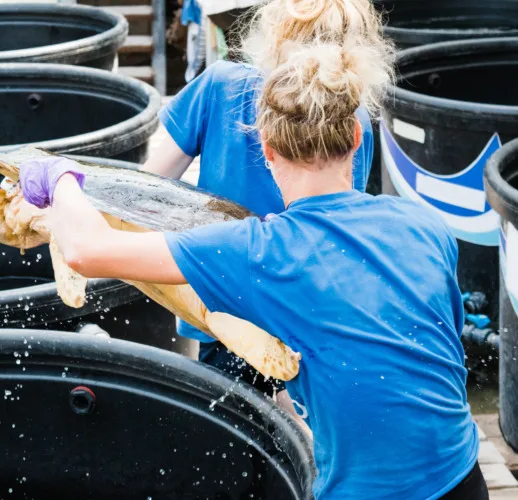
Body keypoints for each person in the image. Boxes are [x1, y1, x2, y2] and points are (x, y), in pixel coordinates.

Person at [8, 36, 486, 499]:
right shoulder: (425, 225)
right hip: (464, 476)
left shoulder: (260, 251)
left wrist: (60, 178)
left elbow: (88, 251)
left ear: (268, 150)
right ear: (359, 136)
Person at [143, 0, 385, 419]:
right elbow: (338, 224)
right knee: (301, 439)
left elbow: (149, 185)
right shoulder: (352, 117)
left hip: (221, 298)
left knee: (232, 433)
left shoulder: (220, 84)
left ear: (273, 33)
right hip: (302, 307)